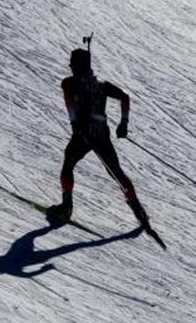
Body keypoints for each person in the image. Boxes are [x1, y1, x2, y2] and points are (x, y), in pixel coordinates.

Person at [46, 48, 149, 228]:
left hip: (83, 133)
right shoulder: (101, 86)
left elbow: (69, 103)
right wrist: (123, 123)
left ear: (76, 66)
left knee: (68, 162)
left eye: (72, 64)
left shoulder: (69, 83)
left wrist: (75, 124)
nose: (70, 67)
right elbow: (124, 97)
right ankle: (139, 211)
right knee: (115, 172)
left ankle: (66, 206)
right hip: (101, 134)